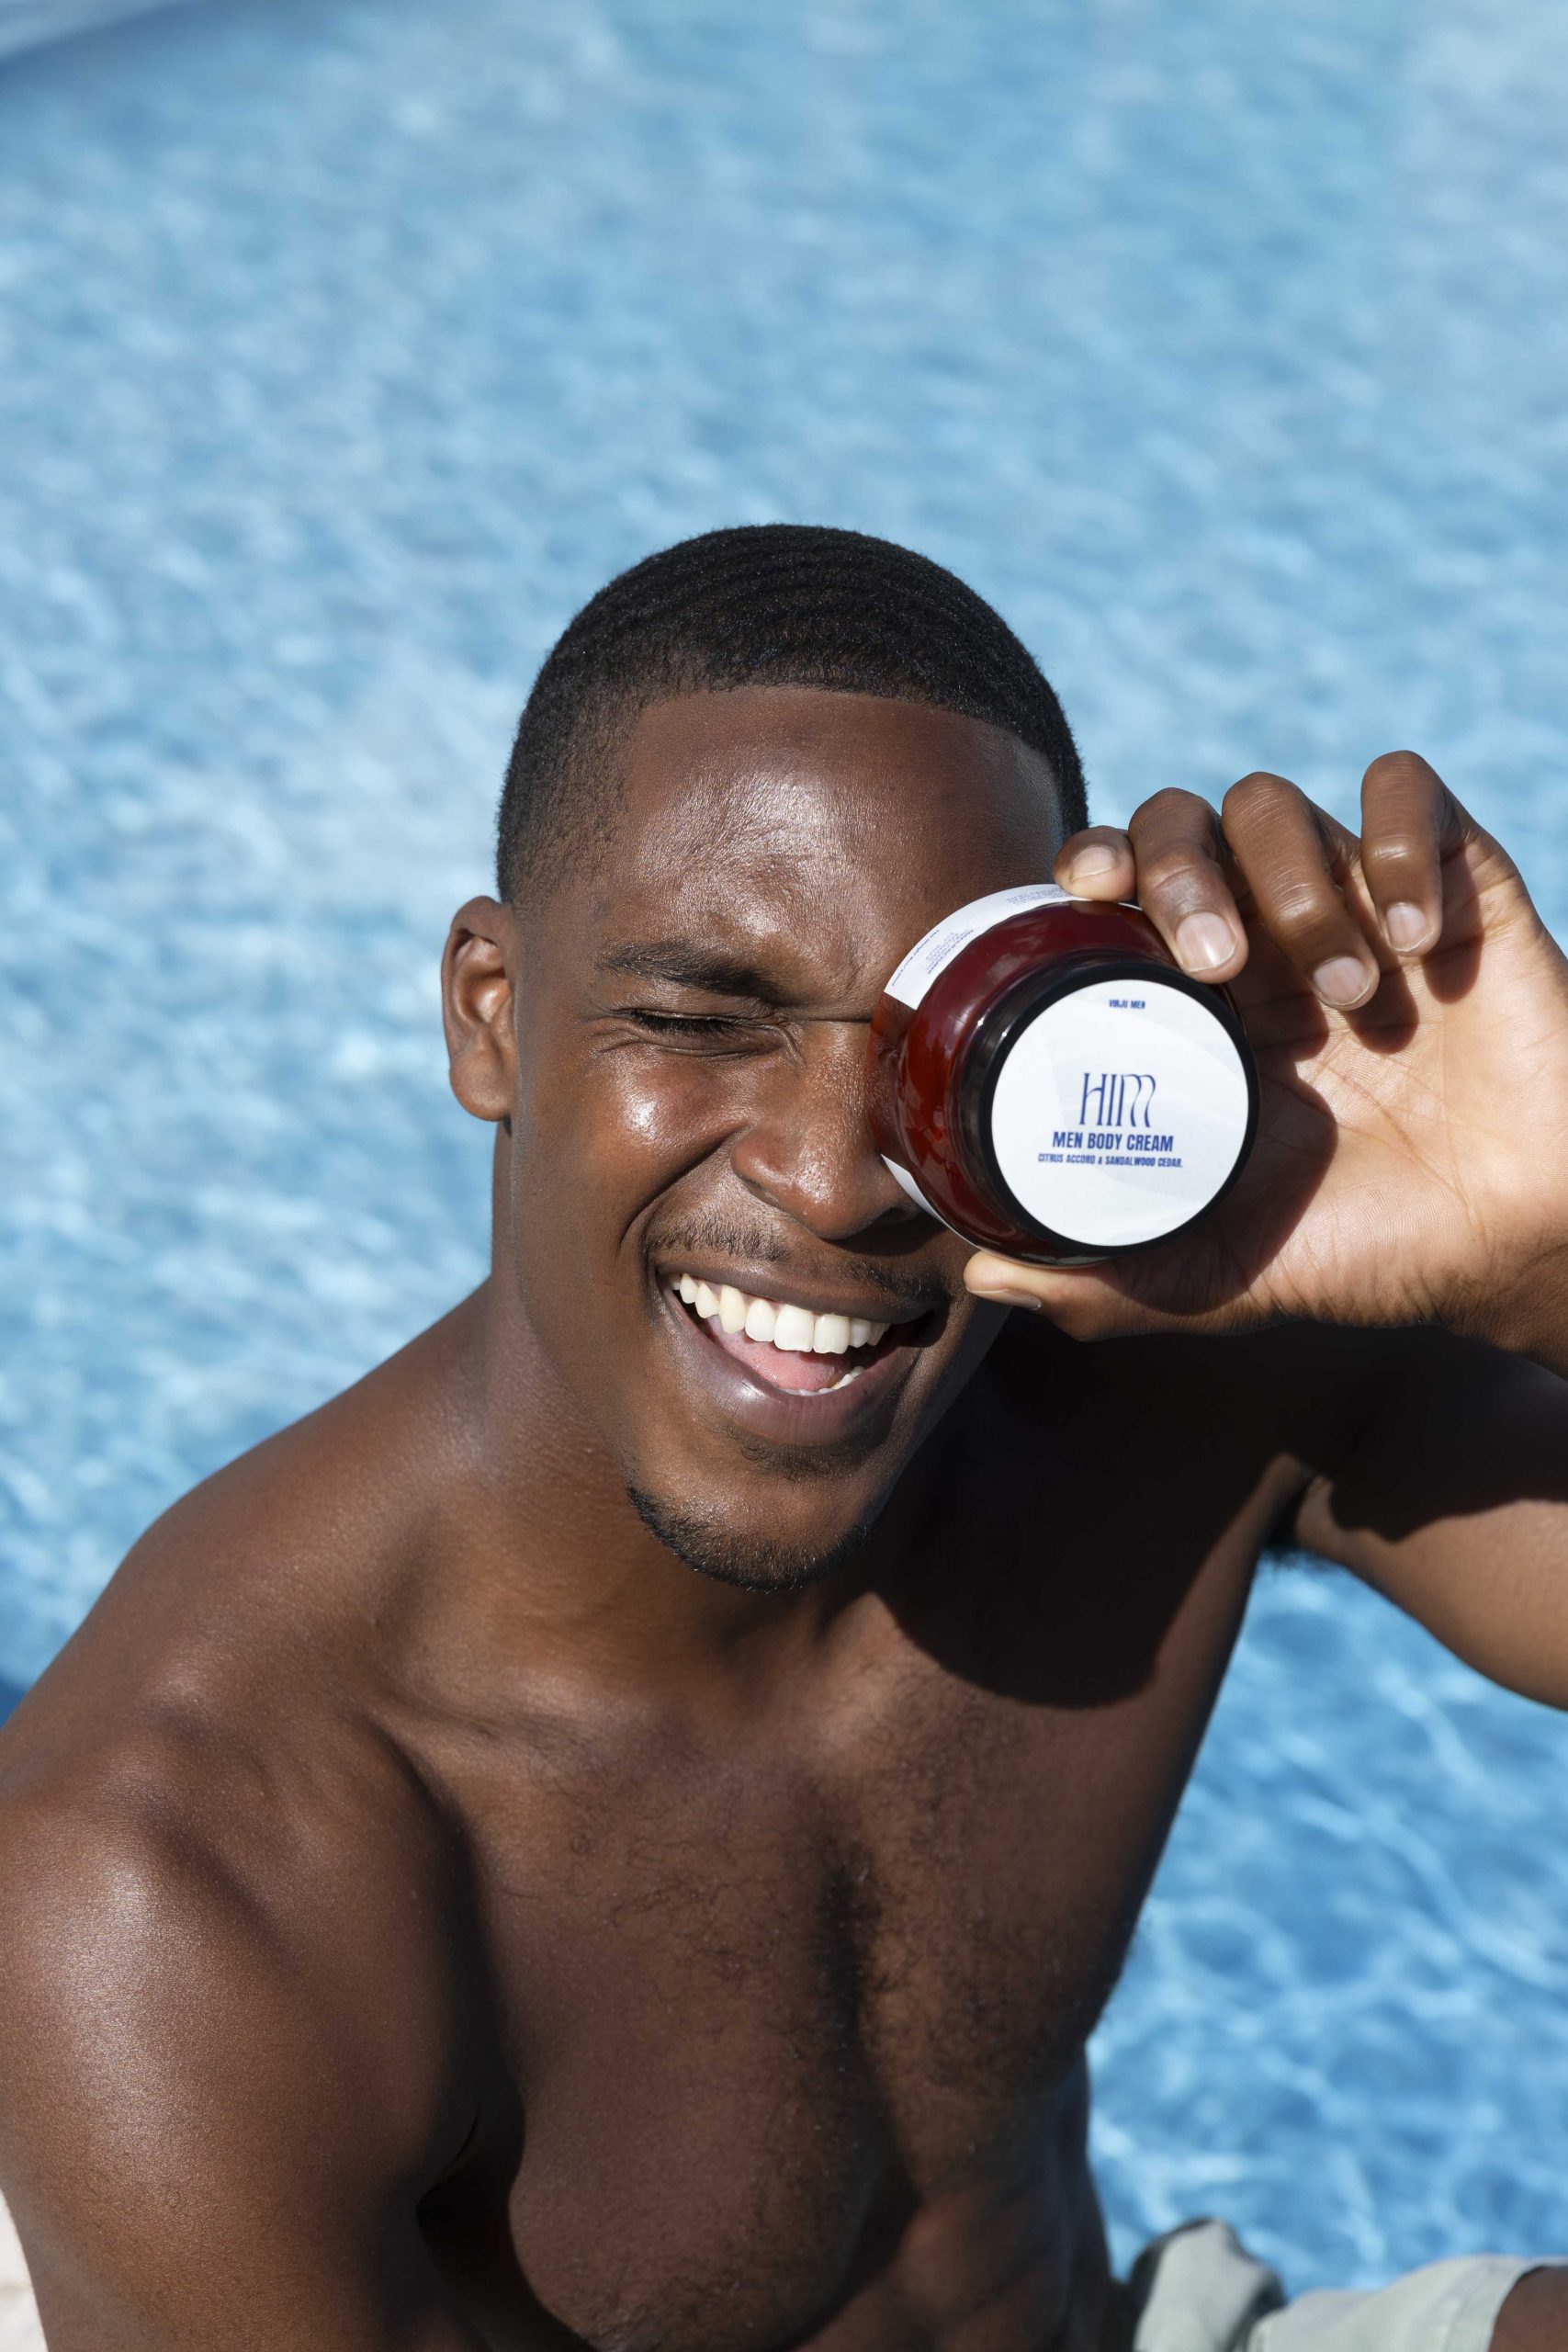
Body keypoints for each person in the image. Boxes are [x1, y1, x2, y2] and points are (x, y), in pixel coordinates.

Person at [0, 525, 1564, 2352]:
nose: (833, 1184)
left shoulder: (1162, 1362)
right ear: (491, 1016)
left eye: (922, 1053)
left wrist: (1542, 1245)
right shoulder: (175, 1889)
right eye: (698, 1020)